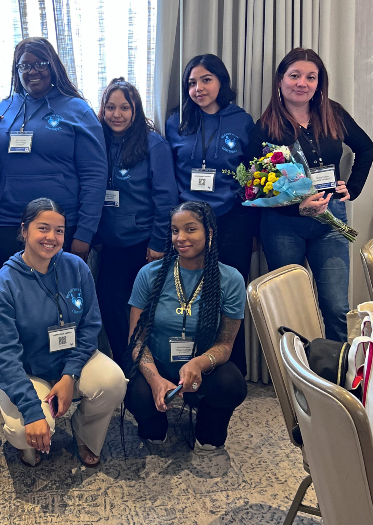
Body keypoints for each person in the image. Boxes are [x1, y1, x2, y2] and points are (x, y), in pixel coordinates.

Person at [0, 198, 127, 467]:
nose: (51, 237)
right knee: (22, 429)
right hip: (26, 371)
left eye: (59, 230)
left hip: (70, 363)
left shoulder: (76, 267)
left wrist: (70, 375)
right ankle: (31, 436)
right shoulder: (3, 285)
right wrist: (31, 411)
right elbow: (5, 356)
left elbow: (89, 326)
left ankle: (84, 431)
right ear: (24, 230)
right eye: (43, 228)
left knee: (113, 382)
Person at [247, 48, 373, 343]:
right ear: (280, 81)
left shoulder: (334, 114)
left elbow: (366, 148)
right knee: (290, 307)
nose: (302, 83)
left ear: (319, 83)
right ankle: (298, 379)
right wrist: (296, 206)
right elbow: (255, 185)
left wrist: (352, 188)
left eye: (310, 77)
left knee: (336, 307)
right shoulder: (265, 127)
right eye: (294, 76)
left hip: (330, 223)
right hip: (282, 226)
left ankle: (340, 375)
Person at [0, 37, 107, 267]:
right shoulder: (4, 108)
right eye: (25, 65)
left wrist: (85, 232)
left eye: (40, 64)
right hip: (9, 223)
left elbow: (95, 175)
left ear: (52, 66)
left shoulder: (77, 109)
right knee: (14, 297)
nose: (32, 71)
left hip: (61, 224)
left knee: (61, 298)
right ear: (17, 71)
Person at [124, 201, 247, 450]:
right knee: (136, 397)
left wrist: (198, 364)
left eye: (190, 229)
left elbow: (225, 344)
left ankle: (208, 425)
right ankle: (155, 423)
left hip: (202, 369)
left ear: (209, 233)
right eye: (174, 230)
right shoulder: (149, 274)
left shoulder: (230, 279)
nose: (180, 238)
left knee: (231, 385)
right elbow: (137, 339)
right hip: (157, 364)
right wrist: (155, 379)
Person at [165, 54, 255, 377]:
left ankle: (230, 367)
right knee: (187, 290)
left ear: (221, 82)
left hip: (231, 219)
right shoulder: (177, 122)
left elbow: (254, 177)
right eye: (191, 83)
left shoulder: (242, 121)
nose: (198, 88)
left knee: (231, 291)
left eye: (206, 80)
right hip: (188, 221)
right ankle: (186, 362)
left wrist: (253, 230)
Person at [95, 78, 178, 367]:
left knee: (145, 310)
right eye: (110, 107)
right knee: (110, 307)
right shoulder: (97, 140)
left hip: (144, 245)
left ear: (136, 109)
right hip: (110, 245)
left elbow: (166, 199)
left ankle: (149, 367)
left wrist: (158, 243)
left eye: (124, 108)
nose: (116, 114)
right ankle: (125, 366)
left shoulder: (153, 144)